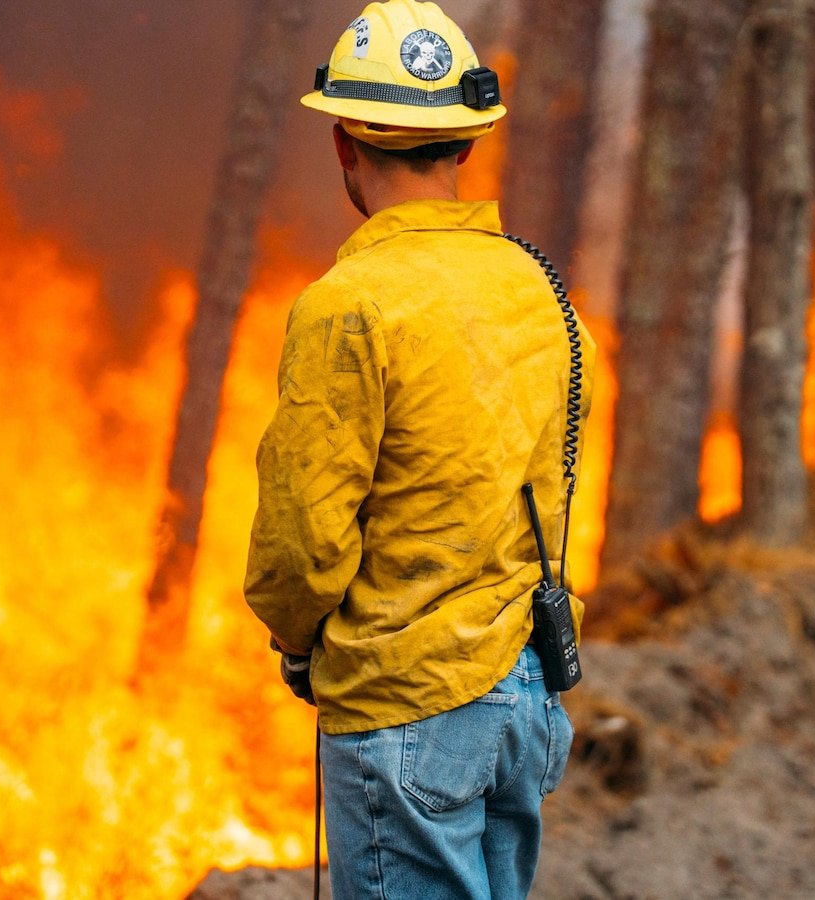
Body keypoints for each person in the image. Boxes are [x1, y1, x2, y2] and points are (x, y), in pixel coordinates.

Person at [242, 1, 598, 896]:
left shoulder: (349, 305)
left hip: (407, 712)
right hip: (525, 702)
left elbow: (303, 543)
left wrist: (297, 637)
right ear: (467, 144)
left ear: (344, 146)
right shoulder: (542, 292)